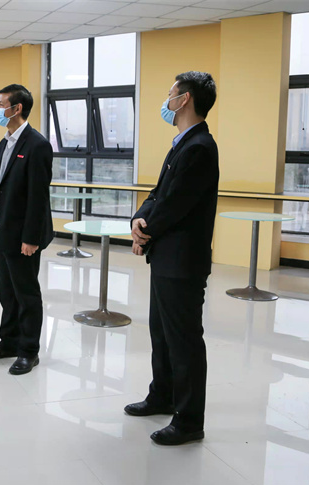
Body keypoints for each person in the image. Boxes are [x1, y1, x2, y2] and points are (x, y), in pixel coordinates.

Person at [125, 71, 219, 445]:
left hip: (182, 263)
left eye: (171, 93)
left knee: (184, 341)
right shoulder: (183, 143)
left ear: (185, 99)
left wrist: (144, 232)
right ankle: (161, 396)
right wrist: (138, 218)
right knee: (161, 334)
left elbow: (175, 205)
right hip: (166, 259)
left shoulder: (199, 147)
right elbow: (157, 194)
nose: (167, 100)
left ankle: (189, 421)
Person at [0, 84, 53, 375]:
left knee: (26, 295)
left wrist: (31, 238)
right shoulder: (4, 143)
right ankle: (8, 342)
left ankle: (29, 351)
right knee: (7, 293)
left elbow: (38, 197)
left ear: (16, 108)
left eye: (1, 104)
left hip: (23, 236)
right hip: (1, 230)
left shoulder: (37, 145)